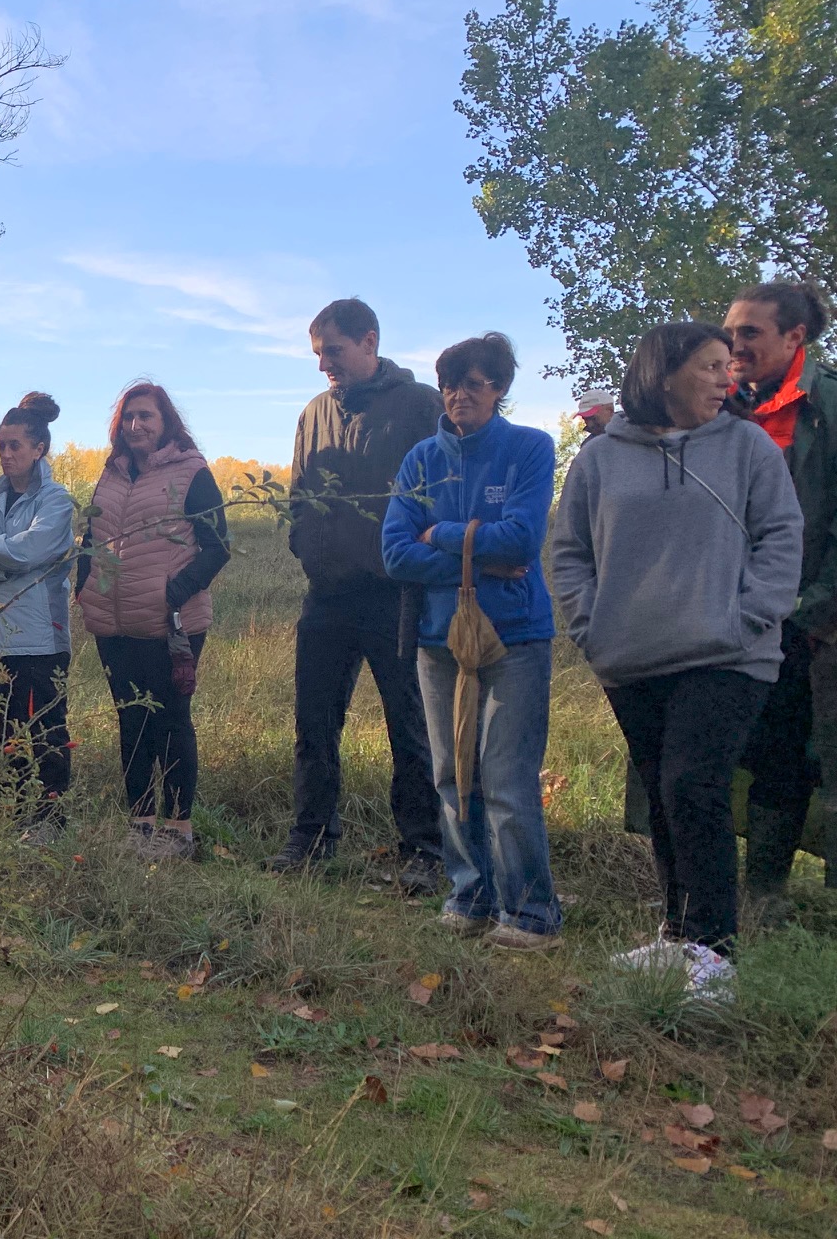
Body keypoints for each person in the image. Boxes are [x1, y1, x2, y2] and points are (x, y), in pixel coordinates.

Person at [551, 322, 802, 995]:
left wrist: (749, 616)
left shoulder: (747, 446)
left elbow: (783, 535)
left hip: (728, 653)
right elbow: (570, 551)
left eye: (729, 365)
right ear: (662, 374)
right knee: (663, 793)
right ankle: (677, 936)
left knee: (694, 785)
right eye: (711, 366)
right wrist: (592, 628)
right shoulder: (600, 459)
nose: (728, 377)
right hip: (632, 655)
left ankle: (715, 956)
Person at [382, 334, 562, 950]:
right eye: (450, 384)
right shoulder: (419, 461)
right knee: (451, 772)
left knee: (507, 777)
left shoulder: (530, 448)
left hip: (515, 635)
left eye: (474, 383)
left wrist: (438, 533)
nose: (459, 394)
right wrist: (477, 553)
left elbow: (522, 540)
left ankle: (531, 914)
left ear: (499, 389)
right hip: (438, 639)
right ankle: (470, 897)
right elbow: (395, 554)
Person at [272, 298, 445, 889]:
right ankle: (310, 839)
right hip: (326, 596)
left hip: (396, 596)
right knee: (314, 724)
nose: (324, 364)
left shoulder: (420, 405)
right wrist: (306, 548)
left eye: (334, 351)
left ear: (370, 341)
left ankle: (424, 849)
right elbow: (300, 493)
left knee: (410, 725)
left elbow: (441, 492)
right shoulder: (314, 413)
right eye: (318, 354)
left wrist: (414, 561)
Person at [78, 381, 230, 859]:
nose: (136, 424)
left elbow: (217, 547)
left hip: (171, 625)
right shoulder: (111, 475)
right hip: (114, 624)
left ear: (166, 422)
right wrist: (84, 586)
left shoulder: (191, 473)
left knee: (171, 720)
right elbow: (92, 540)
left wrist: (173, 594)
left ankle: (178, 829)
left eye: (146, 416)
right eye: (129, 416)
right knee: (132, 720)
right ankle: (140, 823)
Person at [725, 284, 837, 900]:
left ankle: (769, 897)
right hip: (725, 611)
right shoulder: (719, 404)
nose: (735, 345)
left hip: (805, 616)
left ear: (795, 337)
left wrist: (812, 604)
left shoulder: (826, 404)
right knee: (733, 747)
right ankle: (719, 889)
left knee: (792, 753)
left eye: (751, 333)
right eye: (730, 332)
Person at [0, 392, 77, 838]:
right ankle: (17, 806)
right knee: (0, 723)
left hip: (36, 634)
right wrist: (2, 555)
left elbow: (32, 550)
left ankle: (50, 817)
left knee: (44, 725)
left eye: (15, 446)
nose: (6, 454)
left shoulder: (56, 500)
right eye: (1, 445)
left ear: (39, 448)